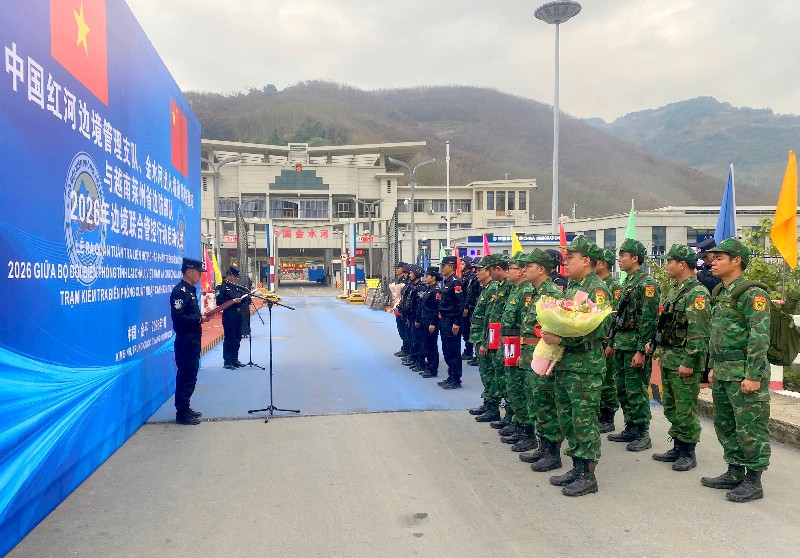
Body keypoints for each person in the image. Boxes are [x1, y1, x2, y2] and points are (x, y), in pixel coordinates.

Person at [700, 238, 771, 503]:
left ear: (736, 260)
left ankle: (753, 480)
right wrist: (713, 368)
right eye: (713, 258)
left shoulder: (753, 293)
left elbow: (759, 336)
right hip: (723, 371)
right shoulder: (720, 291)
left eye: (719, 258)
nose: (713, 262)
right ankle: (734, 471)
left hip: (744, 373)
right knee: (726, 424)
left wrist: (753, 375)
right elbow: (715, 333)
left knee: (750, 427)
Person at [540, 236, 610, 496]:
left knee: (583, 420)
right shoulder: (573, 286)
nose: (566, 261)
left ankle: (588, 475)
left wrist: (562, 337)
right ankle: (577, 467)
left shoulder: (596, 288)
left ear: (586, 260)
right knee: (567, 418)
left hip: (585, 365)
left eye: (571, 257)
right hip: (566, 362)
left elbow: (599, 327)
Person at [647, 244, 710, 472]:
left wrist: (689, 362)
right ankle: (677, 445)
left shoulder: (697, 294)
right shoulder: (676, 290)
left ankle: (688, 452)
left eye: (669, 262)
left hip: (683, 361)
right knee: (672, 406)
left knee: (685, 408)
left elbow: (699, 333)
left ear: (682, 264)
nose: (666, 267)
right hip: (668, 358)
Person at [607, 239, 660, 452]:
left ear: (635, 258)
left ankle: (642, 432)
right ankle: (630, 426)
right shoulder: (628, 282)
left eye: (623, 255)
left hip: (634, 346)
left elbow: (648, 320)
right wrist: (611, 342)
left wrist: (641, 350)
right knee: (623, 389)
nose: (619, 259)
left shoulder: (647, 284)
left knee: (636, 390)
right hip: (621, 343)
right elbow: (618, 317)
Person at [518, 248, 566, 470]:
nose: (524, 269)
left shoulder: (552, 293)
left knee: (546, 403)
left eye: (529, 266)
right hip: (531, 355)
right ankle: (543, 446)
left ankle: (552, 453)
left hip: (544, 356)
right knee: (536, 402)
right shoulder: (536, 291)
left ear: (542, 269)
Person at [498, 252, 535, 450]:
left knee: (520, 389)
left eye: (510, 268)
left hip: (521, 347)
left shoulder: (526, 291)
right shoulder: (516, 290)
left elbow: (525, 325)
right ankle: (519, 425)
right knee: (513, 387)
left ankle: (526, 430)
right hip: (511, 344)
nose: (507, 272)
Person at [170, 257, 212, 425]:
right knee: (186, 375)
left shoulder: (190, 290)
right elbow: (178, 318)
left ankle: (186, 407)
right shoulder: (180, 291)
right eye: (198, 273)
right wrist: (199, 319)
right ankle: (181, 412)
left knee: (191, 374)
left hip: (193, 339)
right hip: (185, 340)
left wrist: (200, 318)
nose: (200, 276)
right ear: (189, 272)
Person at [484, 256, 514, 430]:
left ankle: (515, 421)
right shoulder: (500, 286)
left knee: (510, 383)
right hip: (500, 338)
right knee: (503, 380)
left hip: (512, 341)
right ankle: (510, 418)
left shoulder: (515, 288)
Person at [595, 248, 622, 433]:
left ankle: (608, 415)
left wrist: (611, 339)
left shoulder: (612, 285)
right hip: (600, 339)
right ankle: (601, 413)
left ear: (603, 264)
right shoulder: (597, 283)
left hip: (607, 339)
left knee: (608, 380)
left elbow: (616, 314)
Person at [468, 256, 499, 420]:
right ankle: (488, 403)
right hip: (481, 337)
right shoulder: (486, 288)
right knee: (485, 374)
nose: (477, 272)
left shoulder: (493, 288)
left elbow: (491, 319)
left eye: (480, 269)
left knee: (489, 374)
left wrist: (485, 342)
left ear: (489, 270)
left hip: (487, 339)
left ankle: (493, 408)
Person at [438, 255, 466, 388]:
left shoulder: (455, 282)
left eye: (443, 266)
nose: (441, 269)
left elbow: (460, 304)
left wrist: (456, 322)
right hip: (445, 319)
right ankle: (451, 376)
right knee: (446, 348)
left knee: (453, 349)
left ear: (451, 267)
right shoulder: (447, 281)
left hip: (451, 319)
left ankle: (456, 379)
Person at [216, 266, 246, 370]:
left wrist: (245, 298)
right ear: (229, 275)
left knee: (238, 337)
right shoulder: (221, 287)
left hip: (238, 314)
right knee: (230, 337)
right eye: (235, 277)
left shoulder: (236, 287)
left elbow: (244, 300)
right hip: (229, 314)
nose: (236, 279)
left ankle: (234, 359)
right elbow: (219, 302)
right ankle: (227, 361)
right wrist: (233, 301)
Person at [417, 267, 442, 378]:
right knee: (426, 343)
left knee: (431, 345)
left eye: (427, 276)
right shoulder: (429, 289)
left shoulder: (436, 290)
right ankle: (428, 366)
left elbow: (437, 308)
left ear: (433, 277)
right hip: (424, 318)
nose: (425, 277)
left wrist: (433, 323)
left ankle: (432, 369)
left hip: (431, 319)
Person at [402, 265, 424, 370]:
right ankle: (415, 359)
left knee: (418, 340)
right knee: (413, 338)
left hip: (417, 317)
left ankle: (420, 361)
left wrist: (417, 319)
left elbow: (419, 305)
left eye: (411, 273)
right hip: (411, 316)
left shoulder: (421, 287)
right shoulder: (413, 286)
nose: (409, 275)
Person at [461, 257, 480, 361]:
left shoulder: (473, 278)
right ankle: (469, 351)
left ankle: (472, 353)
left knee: (472, 330)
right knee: (467, 330)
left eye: (463, 264)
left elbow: (471, 294)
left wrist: (466, 306)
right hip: (470, 306)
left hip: (473, 307)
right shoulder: (469, 278)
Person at [392, 263, 409, 357]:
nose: (396, 269)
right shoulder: (398, 279)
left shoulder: (406, 281)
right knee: (401, 328)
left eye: (398, 268)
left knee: (405, 329)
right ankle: (405, 347)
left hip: (404, 308)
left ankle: (407, 349)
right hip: (399, 306)